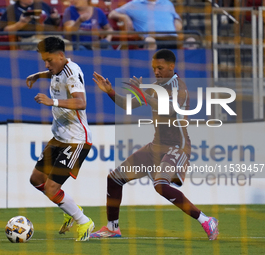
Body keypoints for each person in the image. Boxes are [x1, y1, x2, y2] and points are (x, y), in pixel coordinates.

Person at [90, 49, 219, 240]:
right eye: (154, 68)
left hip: (177, 147)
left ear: (171, 67)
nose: (156, 71)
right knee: (114, 178)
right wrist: (110, 91)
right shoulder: (155, 86)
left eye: (160, 68)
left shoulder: (180, 88)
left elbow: (165, 108)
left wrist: (143, 94)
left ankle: (206, 220)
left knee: (160, 185)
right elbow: (128, 105)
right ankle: (112, 228)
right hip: (156, 146)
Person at [26, 37, 95, 241]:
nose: (47, 65)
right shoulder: (58, 69)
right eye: (44, 61)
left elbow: (81, 102)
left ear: (61, 56)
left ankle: (84, 221)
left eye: (49, 60)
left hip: (76, 141)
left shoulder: (72, 72)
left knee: (51, 188)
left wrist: (51, 101)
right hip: (59, 137)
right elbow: (53, 72)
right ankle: (70, 209)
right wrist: (38, 75)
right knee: (36, 179)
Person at [108, 0, 182, 50]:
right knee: (150, 41)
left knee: (191, 40)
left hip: (172, 39)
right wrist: (125, 17)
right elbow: (112, 14)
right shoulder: (134, 4)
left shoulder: (167, 3)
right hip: (151, 39)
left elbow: (176, 18)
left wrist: (177, 22)